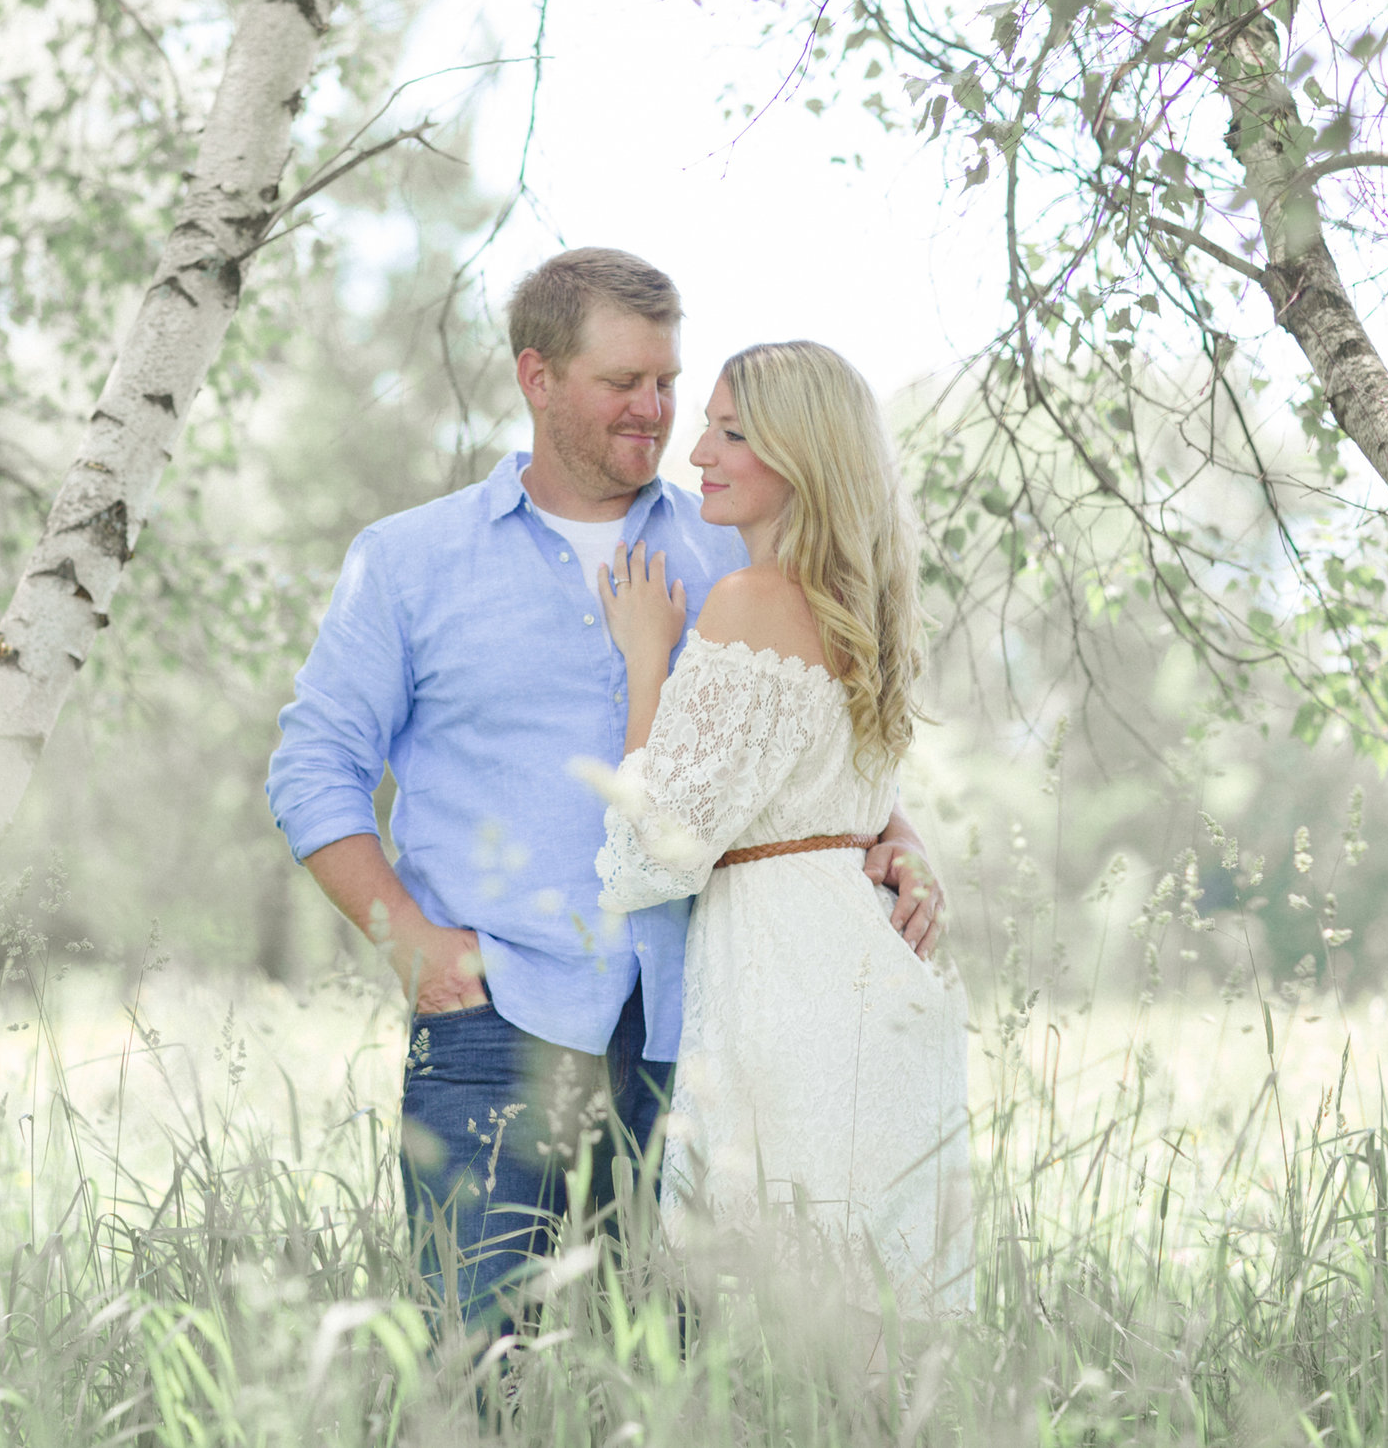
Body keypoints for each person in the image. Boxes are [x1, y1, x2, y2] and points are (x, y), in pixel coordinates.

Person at [264, 250, 946, 1338]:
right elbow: (312, 766)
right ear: (537, 378)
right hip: (497, 1018)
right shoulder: (407, 561)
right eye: (622, 382)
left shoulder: (730, 537)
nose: (657, 411)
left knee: (677, 1378)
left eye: (668, 381)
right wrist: (408, 940)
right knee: (482, 1366)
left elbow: (804, 725)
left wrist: (893, 830)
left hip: (706, 1030)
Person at [592, 339, 972, 1319]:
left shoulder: (749, 600)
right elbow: (838, 799)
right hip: (877, 983)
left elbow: (657, 852)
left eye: (729, 433)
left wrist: (646, 656)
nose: (698, 454)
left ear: (799, 457)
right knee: (879, 1318)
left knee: (781, 1322)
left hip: (792, 996)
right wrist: (902, 841)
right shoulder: (870, 610)